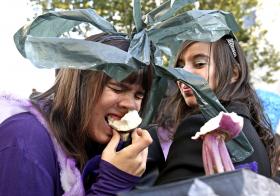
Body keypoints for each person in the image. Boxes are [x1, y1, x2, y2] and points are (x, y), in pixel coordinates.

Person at [0, 33, 154, 195]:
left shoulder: (103, 150)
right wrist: (110, 185)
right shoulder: (25, 140)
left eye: (139, 96)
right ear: (80, 86)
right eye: (117, 88)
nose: (130, 105)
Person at [154, 34, 278, 185]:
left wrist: (121, 177)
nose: (182, 74)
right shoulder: (257, 138)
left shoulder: (203, 127)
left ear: (233, 74)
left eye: (199, 64)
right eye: (180, 66)